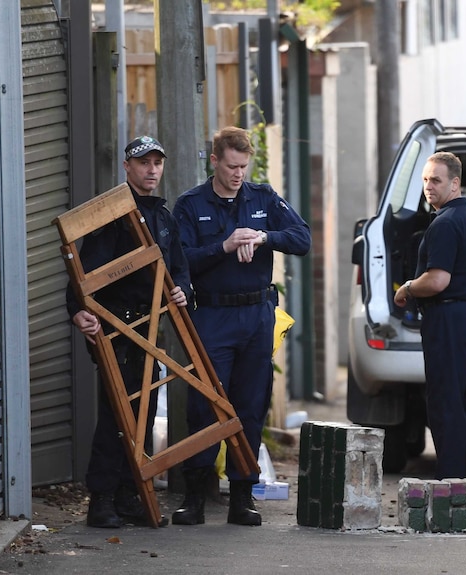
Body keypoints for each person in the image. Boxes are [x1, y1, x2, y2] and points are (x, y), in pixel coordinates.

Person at [171, 126, 311, 526]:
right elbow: (180, 262)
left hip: (256, 315)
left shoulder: (263, 197)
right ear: (214, 161)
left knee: (251, 405)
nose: (238, 174)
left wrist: (264, 237)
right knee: (205, 405)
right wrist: (225, 246)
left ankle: (242, 496)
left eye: (243, 167)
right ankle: (194, 495)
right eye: (231, 166)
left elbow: (301, 238)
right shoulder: (191, 204)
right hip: (213, 315)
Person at [66, 136, 193, 528]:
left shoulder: (165, 218)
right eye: (143, 163)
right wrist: (78, 313)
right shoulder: (111, 216)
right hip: (117, 326)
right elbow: (81, 272)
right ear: (127, 167)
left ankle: (127, 495)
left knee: (144, 410)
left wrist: (182, 290)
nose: (152, 169)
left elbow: (181, 269)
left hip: (151, 327)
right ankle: (101, 500)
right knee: (117, 414)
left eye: (157, 162)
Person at [393, 151, 466, 480]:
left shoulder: (445, 223)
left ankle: (451, 483)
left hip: (448, 320)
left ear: (455, 184)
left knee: (446, 403)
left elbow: (438, 280)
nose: (428, 186)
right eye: (425, 180)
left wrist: (407, 288)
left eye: (435, 180)